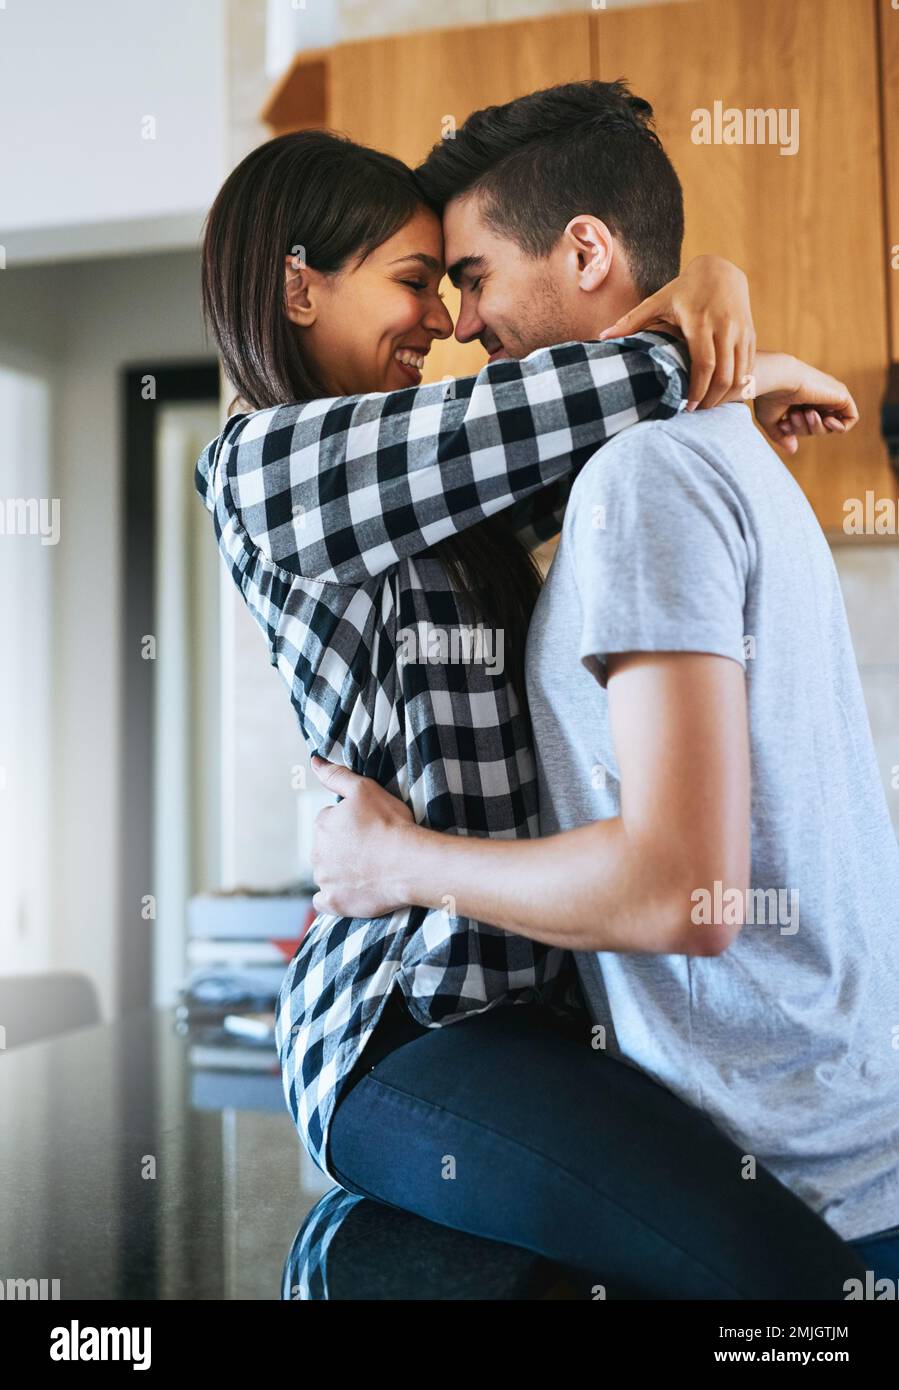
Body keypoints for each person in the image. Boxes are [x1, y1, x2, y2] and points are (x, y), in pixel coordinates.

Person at [197, 97, 861, 1297]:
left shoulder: (440, 486)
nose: (445, 319)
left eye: (454, 280)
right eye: (413, 279)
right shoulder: (262, 469)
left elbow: (575, 447)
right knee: (778, 1277)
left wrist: (718, 343)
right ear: (299, 290)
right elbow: (562, 406)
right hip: (401, 1026)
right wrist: (704, 324)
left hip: (526, 1006)